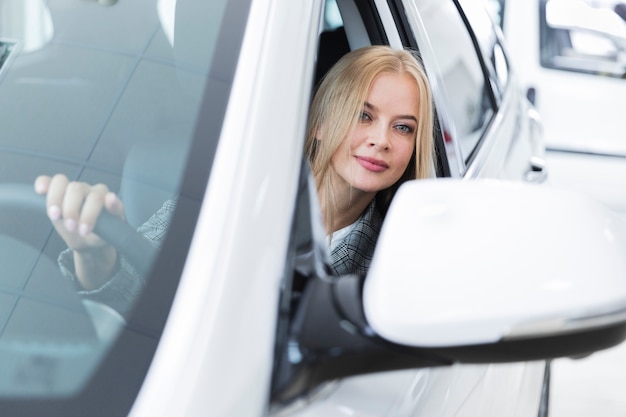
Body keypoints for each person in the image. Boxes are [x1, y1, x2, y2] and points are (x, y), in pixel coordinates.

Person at [34, 45, 434, 314]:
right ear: (321, 124)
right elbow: (141, 294)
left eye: (403, 128)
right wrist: (97, 258)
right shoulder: (222, 198)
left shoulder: (400, 256)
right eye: (364, 115)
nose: (381, 140)